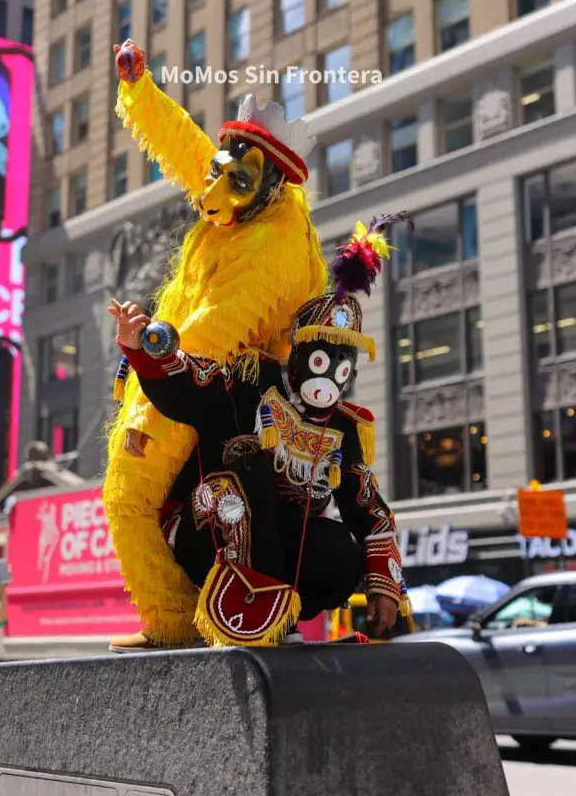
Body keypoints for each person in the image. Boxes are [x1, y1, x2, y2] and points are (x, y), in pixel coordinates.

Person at [105, 41, 328, 651]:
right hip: (186, 372)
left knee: (126, 495)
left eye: (233, 179)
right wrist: (140, 88)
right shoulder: (247, 188)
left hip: (222, 388)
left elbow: (218, 326)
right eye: (217, 173)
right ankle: (180, 616)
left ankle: (176, 621)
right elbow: (187, 147)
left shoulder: (275, 244)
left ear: (270, 187)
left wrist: (155, 355)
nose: (213, 187)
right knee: (141, 501)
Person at [109, 216, 412, 646]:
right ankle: (253, 623)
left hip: (282, 544)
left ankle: (278, 619)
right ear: (301, 352)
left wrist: (385, 584)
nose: (331, 380)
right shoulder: (253, 378)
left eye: (342, 369)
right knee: (249, 471)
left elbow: (368, 505)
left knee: (339, 552)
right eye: (322, 363)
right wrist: (143, 349)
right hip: (209, 526)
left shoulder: (344, 426)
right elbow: (193, 384)